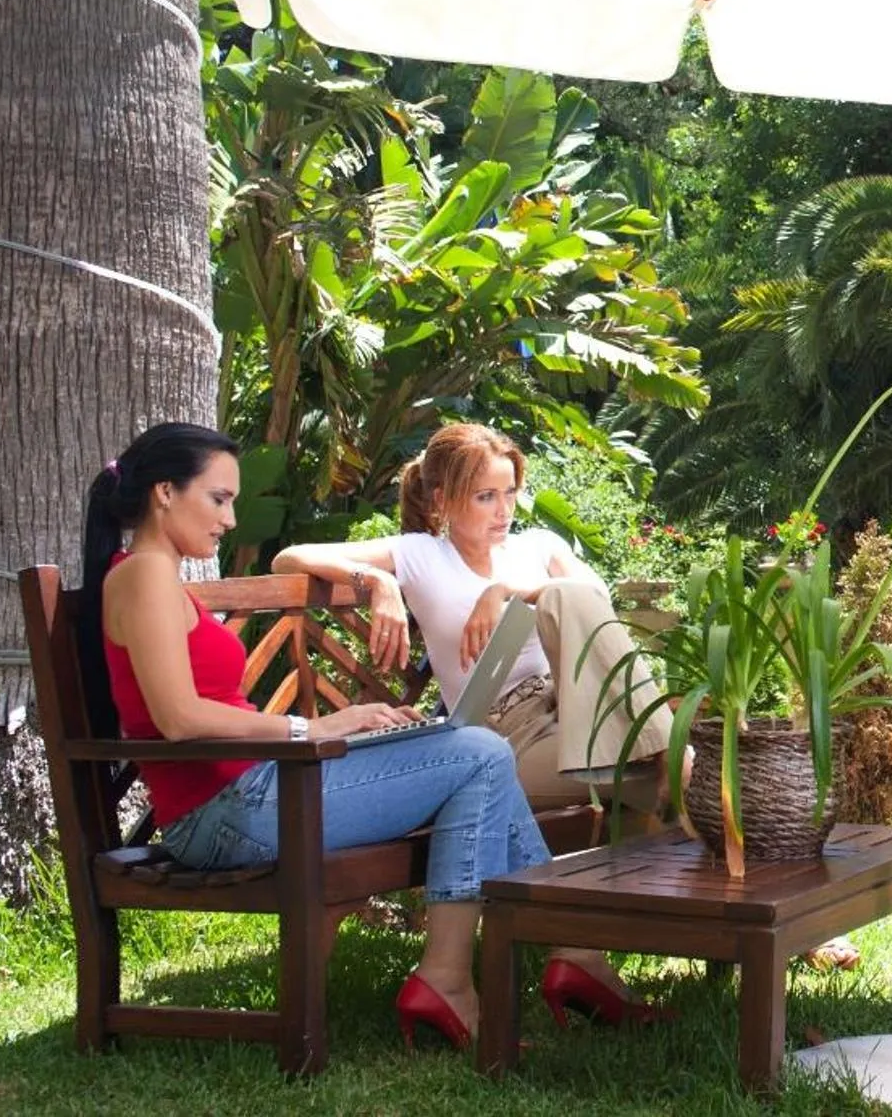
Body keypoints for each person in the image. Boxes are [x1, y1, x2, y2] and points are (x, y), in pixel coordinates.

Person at [88, 421, 569, 1050]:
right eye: (219, 499)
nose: (230, 520)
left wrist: (354, 728)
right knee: (479, 754)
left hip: (260, 791)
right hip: (231, 814)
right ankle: (546, 954)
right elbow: (180, 717)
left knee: (473, 754)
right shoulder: (143, 576)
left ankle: (474, 973)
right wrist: (311, 726)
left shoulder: (155, 575)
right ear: (164, 494)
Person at [274, 421, 679, 1023]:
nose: (503, 511)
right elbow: (290, 556)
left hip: (576, 716)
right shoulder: (417, 555)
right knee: (684, 770)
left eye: (510, 493)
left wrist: (507, 592)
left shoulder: (537, 545)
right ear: (441, 500)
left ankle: (586, 950)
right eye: (485, 496)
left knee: (570, 598)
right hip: (505, 741)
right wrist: (378, 580)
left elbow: (598, 609)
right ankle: (680, 782)